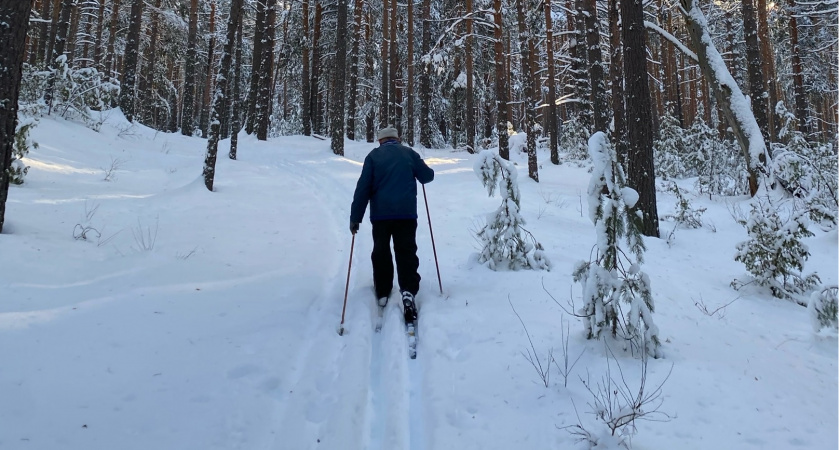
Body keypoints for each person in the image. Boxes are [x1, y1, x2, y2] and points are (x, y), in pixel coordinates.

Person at [350, 126, 434, 323]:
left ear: (380, 140)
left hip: (380, 215)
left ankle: (383, 290)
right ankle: (408, 291)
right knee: (406, 251)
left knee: (381, 251)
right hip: (406, 213)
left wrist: (355, 217)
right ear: (398, 139)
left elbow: (363, 188)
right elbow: (427, 176)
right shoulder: (409, 154)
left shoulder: (373, 157)